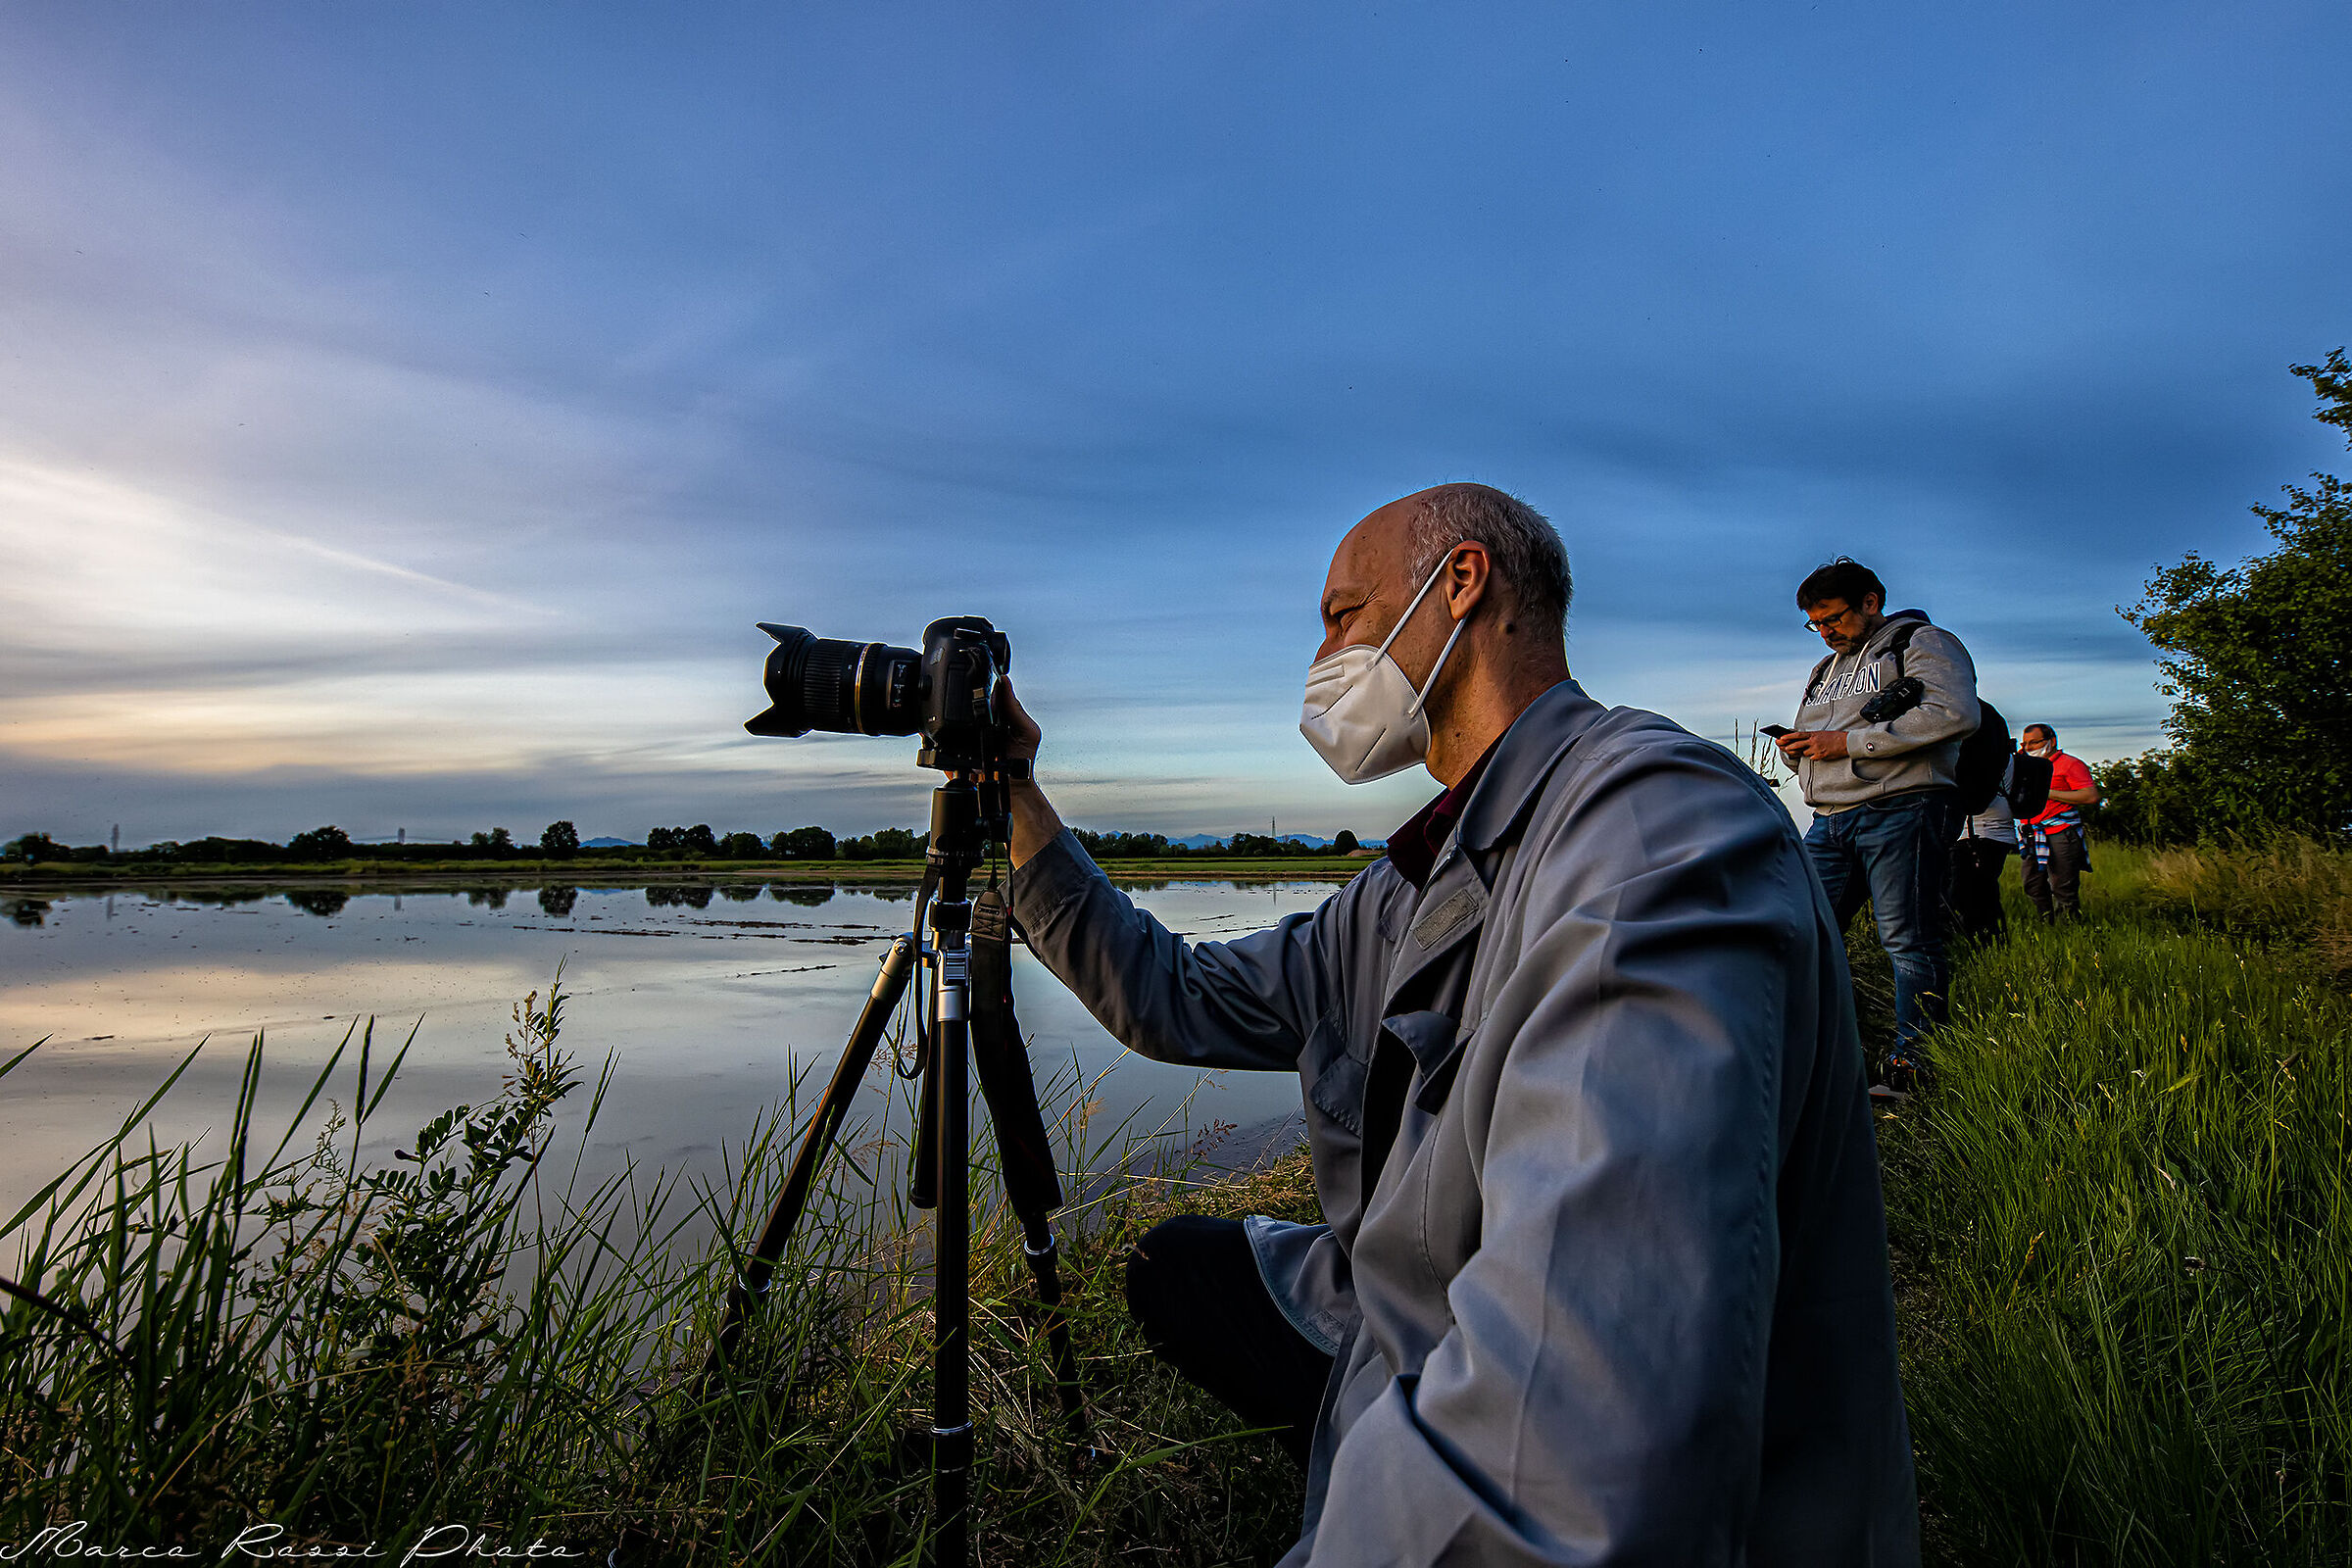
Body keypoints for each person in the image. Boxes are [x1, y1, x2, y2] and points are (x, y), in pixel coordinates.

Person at [997, 485, 1917, 1566]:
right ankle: (1367, 1442)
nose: (1324, 655)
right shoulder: (1398, 891)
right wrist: (1011, 791)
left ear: (1462, 583)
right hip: (1419, 1301)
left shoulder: (1650, 828)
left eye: (1342, 615)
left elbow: (1578, 1454)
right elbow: (1169, 995)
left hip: (1617, 1437)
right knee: (1181, 1266)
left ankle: (1395, 1470)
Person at [1776, 559, 1980, 1099]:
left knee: (1908, 940)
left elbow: (1955, 714)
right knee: (1801, 929)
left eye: (1834, 619)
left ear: (1871, 601)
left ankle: (1913, 1068)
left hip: (1903, 809)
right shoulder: (1824, 670)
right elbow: (1818, 735)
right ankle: (1805, 1053)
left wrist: (1846, 745)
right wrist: (1801, 755)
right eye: (1814, 624)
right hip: (1830, 819)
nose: (1825, 633)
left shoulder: (1922, 642)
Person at [2017, 723, 2098, 919]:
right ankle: (2046, 921)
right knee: (2032, 883)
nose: (2029, 747)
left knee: (2063, 885)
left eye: (2034, 742)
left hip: (2061, 830)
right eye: (2025, 743)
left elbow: (2090, 796)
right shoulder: (2025, 766)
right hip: (2032, 832)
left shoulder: (2070, 764)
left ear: (2052, 741)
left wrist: (2049, 793)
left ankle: (2069, 927)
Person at [1946, 752, 2021, 943]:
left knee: (1965, 892)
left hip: (1981, 831)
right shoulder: (2003, 751)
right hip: (1989, 831)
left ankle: (1981, 942)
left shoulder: (1980, 753)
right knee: (1982, 889)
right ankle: (1990, 939)